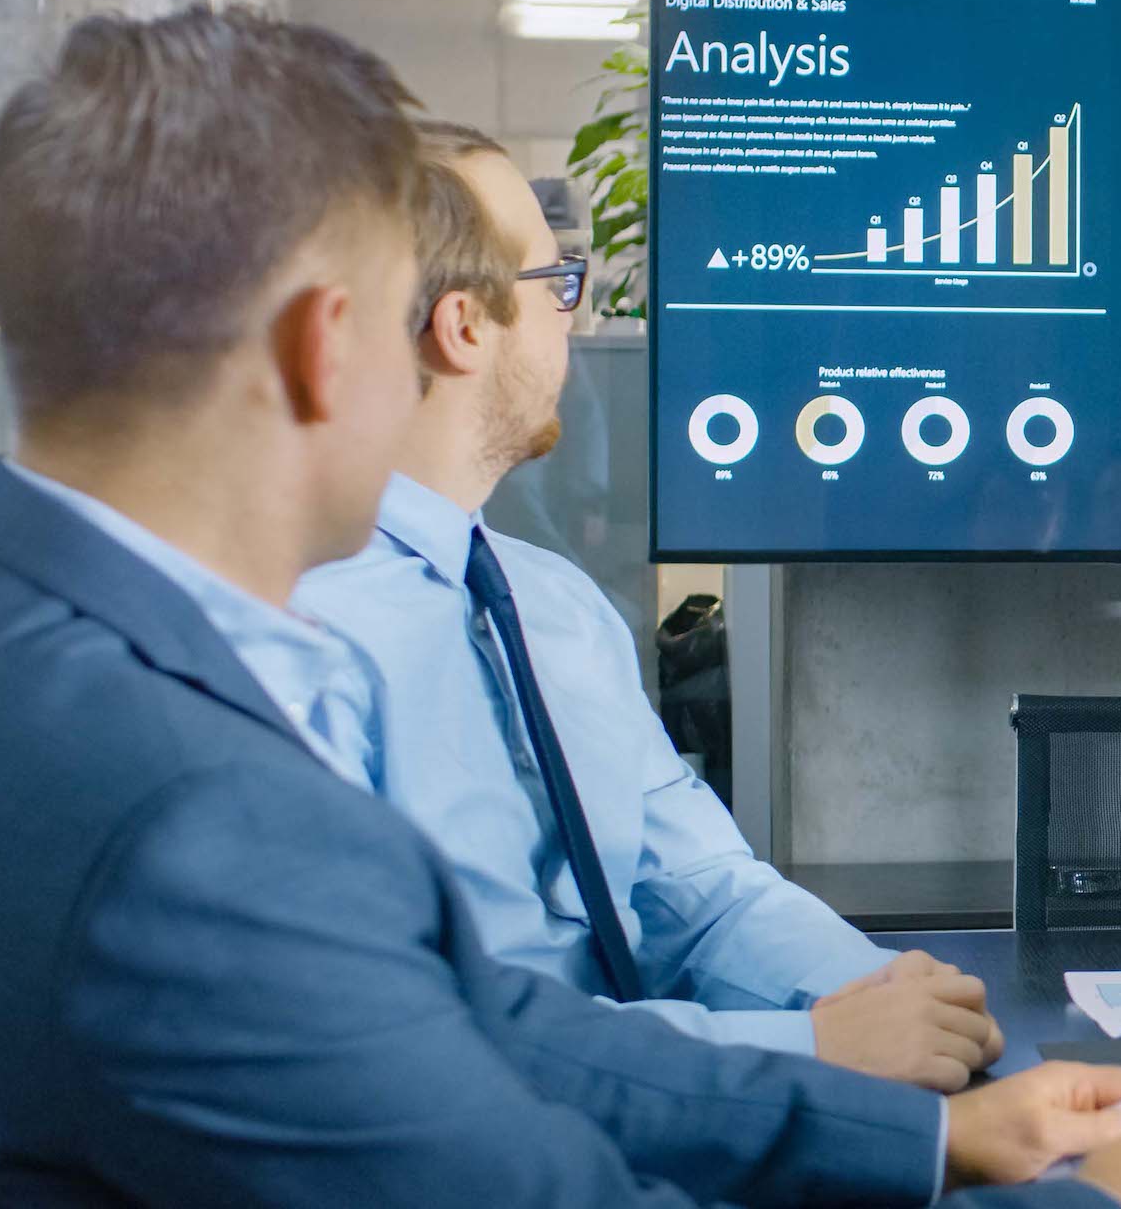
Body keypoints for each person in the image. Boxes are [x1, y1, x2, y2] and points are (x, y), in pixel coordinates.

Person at [0, 5, 1121, 1208]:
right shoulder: (196, 822)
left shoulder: (67, 659)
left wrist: (922, 1135)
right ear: (332, 347)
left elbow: (495, 1026)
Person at [293, 121, 995, 1089]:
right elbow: (419, 1035)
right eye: (556, 285)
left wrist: (886, 994)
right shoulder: (299, 635)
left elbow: (698, 889)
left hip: (670, 1114)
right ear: (463, 327)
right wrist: (812, 1050)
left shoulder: (554, 608)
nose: (571, 320)